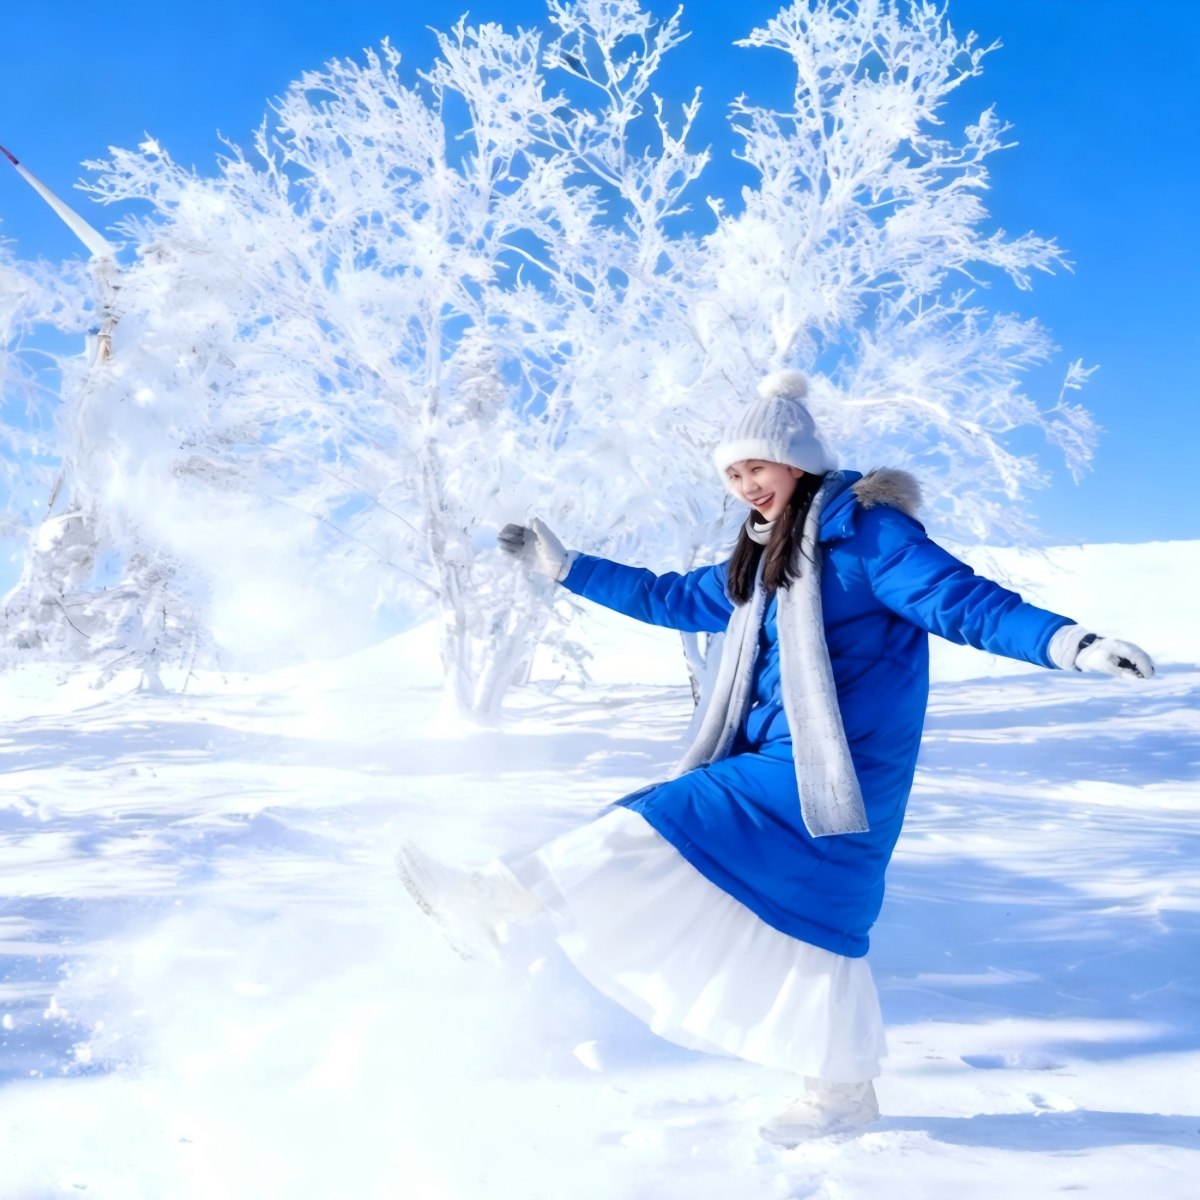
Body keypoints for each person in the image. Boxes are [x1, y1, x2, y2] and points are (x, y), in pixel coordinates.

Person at [396, 370, 1154, 1146]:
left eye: (756, 466)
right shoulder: (765, 561)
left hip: (831, 769)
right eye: (732, 474)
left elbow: (962, 601)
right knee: (817, 925)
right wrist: (567, 569)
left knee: (663, 814)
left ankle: (497, 899)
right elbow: (670, 597)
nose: (745, 486)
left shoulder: (867, 535)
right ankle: (840, 1094)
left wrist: (1073, 643)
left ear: (798, 460)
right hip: (787, 761)